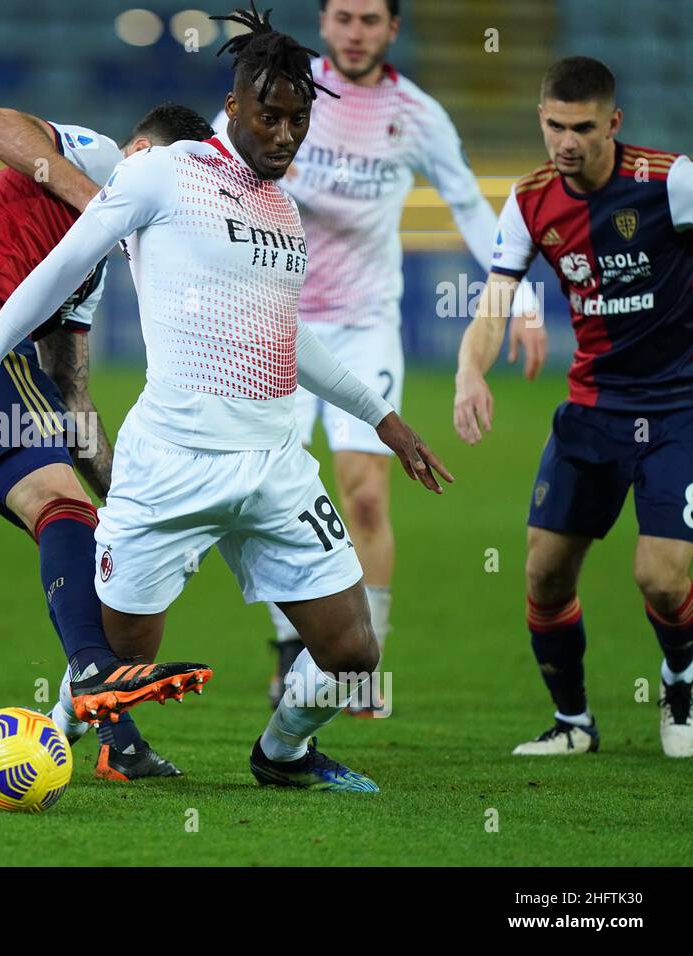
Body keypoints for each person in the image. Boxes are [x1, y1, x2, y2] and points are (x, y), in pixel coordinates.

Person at [0, 6, 453, 792]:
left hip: (275, 463)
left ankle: (282, 755)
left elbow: (289, 337)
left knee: (353, 653)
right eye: (270, 117)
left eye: (298, 121)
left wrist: (384, 419)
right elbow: (60, 264)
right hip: (170, 463)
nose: (285, 135)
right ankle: (47, 739)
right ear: (234, 108)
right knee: (123, 659)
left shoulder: (283, 211)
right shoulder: (162, 174)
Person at [211, 0, 542, 714]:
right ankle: (292, 652)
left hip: (363, 327)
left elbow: (468, 203)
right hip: (276, 321)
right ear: (325, 24)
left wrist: (517, 294)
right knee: (266, 495)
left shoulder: (415, 114)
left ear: (393, 29)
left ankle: (362, 666)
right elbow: (212, 163)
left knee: (363, 495)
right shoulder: (284, 91)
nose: (355, 31)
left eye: (370, 19)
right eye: (344, 17)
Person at [0, 103, 218, 781]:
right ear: (143, 150)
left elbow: (71, 401)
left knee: (73, 524)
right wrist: (101, 203)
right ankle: (96, 673)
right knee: (63, 509)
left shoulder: (89, 272)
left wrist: (136, 506)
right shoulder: (95, 160)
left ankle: (118, 741)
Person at [454, 56, 693, 758]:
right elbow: (495, 304)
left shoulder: (672, 181)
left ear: (613, 123)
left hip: (678, 410)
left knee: (660, 576)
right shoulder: (529, 200)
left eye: (582, 127)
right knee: (544, 573)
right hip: (592, 411)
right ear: (541, 119)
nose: (566, 141)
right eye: (554, 125)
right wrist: (471, 371)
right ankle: (574, 724)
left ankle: (680, 679)